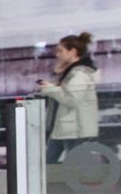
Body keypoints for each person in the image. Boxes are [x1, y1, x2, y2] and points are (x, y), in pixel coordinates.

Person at [36, 31, 100, 163]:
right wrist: (58, 71)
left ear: (72, 51)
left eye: (61, 51)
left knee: (65, 164)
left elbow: (71, 100)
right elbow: (66, 92)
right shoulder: (73, 72)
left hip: (73, 128)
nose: (57, 54)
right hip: (66, 127)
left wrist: (49, 88)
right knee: (50, 163)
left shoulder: (79, 74)